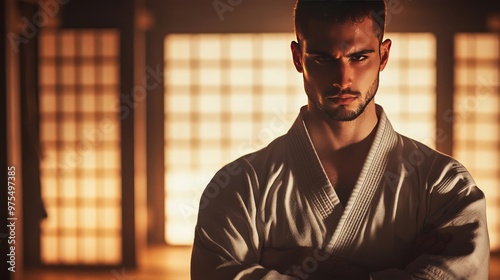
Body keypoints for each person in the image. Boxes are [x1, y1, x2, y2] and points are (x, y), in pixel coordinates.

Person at [191, 0, 490, 279]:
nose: (343, 78)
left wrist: (299, 267)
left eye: (359, 57)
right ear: (298, 58)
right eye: (322, 58)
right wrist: (395, 270)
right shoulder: (240, 186)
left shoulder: (444, 184)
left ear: (383, 55)